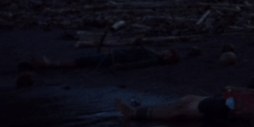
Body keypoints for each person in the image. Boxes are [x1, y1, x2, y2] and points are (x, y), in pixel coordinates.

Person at [116, 86, 254, 127]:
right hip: (230, 98)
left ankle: (133, 114)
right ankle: (137, 113)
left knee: (180, 111)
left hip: (229, 107)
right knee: (184, 102)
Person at [31, 46, 179, 70]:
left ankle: (51, 64)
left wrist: (121, 66)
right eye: (167, 53)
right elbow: (130, 50)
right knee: (84, 59)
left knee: (83, 61)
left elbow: (138, 64)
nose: (165, 55)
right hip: (114, 54)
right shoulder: (153, 51)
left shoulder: (153, 59)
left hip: (114, 59)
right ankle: (51, 64)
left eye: (167, 57)